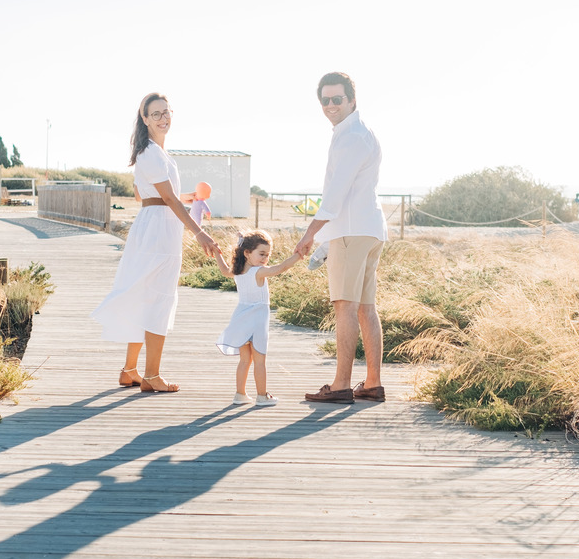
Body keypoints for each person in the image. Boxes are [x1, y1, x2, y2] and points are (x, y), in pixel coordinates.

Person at [91, 92, 219, 393]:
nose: (163, 118)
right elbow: (166, 198)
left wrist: (187, 198)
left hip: (153, 225)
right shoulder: (150, 152)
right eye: (156, 114)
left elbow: (145, 194)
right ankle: (151, 375)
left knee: (145, 295)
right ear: (145, 119)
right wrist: (198, 232)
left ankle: (130, 370)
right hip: (159, 230)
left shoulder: (152, 152)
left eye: (166, 112)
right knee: (158, 298)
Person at [294, 72, 387, 404]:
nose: (330, 105)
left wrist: (309, 235)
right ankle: (373, 383)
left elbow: (334, 197)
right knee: (365, 308)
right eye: (325, 100)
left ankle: (340, 385)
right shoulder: (361, 133)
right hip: (369, 228)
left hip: (351, 230)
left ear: (352, 100)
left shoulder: (351, 138)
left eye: (337, 99)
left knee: (345, 307)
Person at [213, 230, 303, 407]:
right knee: (260, 360)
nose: (265, 259)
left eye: (267, 255)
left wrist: (217, 253)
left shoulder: (238, 272)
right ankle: (262, 396)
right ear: (247, 253)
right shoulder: (258, 272)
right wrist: (298, 255)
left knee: (245, 360)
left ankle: (240, 394)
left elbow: (224, 271)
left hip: (241, 319)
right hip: (257, 322)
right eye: (261, 254)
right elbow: (281, 268)